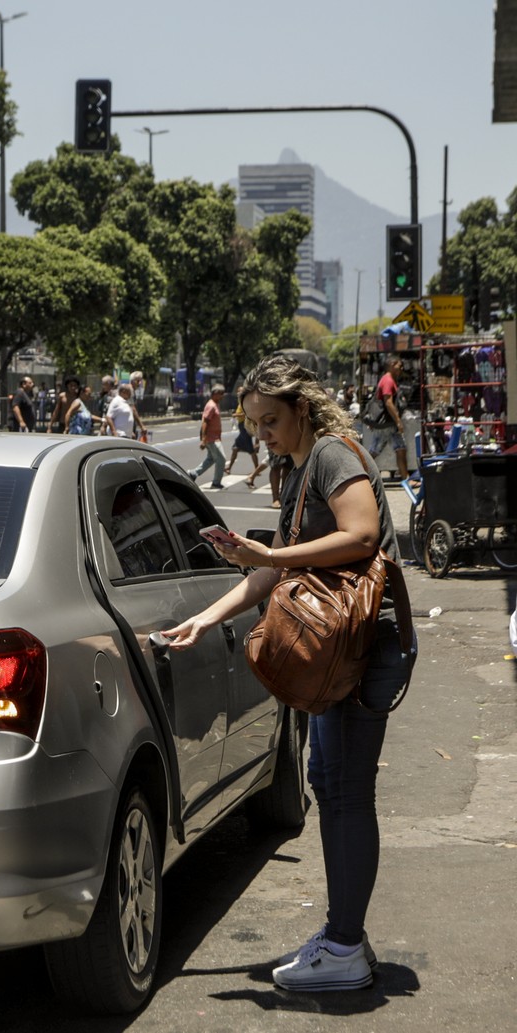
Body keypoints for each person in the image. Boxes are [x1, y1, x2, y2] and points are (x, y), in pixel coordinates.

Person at [160, 353, 412, 993]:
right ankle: (341, 932)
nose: (262, 435)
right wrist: (209, 618)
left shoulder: (330, 454)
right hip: (340, 649)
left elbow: (361, 535)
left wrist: (271, 551)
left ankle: (346, 947)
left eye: (270, 421)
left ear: (302, 408)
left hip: (359, 646)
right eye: (254, 424)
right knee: (329, 783)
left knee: (347, 791)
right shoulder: (299, 467)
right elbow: (273, 571)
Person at [372, 357, 410, 479]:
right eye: (399, 365)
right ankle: (354, 474)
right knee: (373, 452)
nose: (401, 368)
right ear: (392, 364)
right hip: (387, 424)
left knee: (401, 449)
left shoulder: (389, 379)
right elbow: (388, 402)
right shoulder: (388, 380)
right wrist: (398, 420)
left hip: (390, 423)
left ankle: (406, 479)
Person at [189, 384, 227, 488]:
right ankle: (216, 482)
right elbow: (205, 422)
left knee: (211, 459)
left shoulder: (215, 404)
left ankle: (193, 473)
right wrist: (204, 439)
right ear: (215, 394)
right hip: (211, 438)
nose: (222, 396)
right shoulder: (211, 405)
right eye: (221, 394)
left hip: (215, 437)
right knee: (221, 459)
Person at [227, 398, 266, 488]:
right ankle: (229, 468)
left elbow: (245, 414)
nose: (238, 394)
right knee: (235, 448)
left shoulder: (245, 403)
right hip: (242, 429)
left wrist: (236, 414)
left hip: (245, 428)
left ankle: (256, 470)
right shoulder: (240, 403)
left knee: (251, 451)